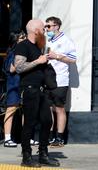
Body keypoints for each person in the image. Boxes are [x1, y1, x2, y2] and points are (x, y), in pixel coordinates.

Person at [14, 19, 59, 167]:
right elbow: (19, 67)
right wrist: (38, 62)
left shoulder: (38, 47)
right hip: (29, 90)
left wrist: (46, 59)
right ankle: (26, 157)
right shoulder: (23, 46)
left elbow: (40, 64)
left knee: (47, 121)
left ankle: (43, 154)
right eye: (42, 28)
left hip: (41, 90)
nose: (45, 30)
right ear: (35, 31)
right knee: (30, 123)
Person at [44, 16, 77, 147]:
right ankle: (49, 136)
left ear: (56, 26)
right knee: (48, 109)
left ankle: (59, 138)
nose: (47, 29)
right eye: (46, 27)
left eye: (49, 26)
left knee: (59, 108)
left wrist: (56, 56)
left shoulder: (66, 41)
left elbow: (73, 59)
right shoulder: (48, 41)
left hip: (60, 79)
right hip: (47, 79)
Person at [3, 31, 26, 148]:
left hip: (23, 85)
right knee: (11, 109)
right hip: (14, 85)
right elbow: (11, 69)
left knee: (26, 111)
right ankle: (7, 138)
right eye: (22, 38)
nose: (24, 39)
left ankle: (27, 137)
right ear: (15, 40)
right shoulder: (13, 53)